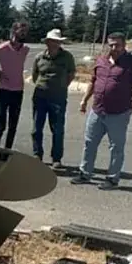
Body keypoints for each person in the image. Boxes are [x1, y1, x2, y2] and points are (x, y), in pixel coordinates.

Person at [71, 32, 132, 190]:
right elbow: (93, 82)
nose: (114, 48)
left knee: (116, 147)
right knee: (89, 143)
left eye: (117, 45)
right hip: (97, 110)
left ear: (124, 45)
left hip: (119, 113)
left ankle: (112, 178)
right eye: (111, 44)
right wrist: (84, 100)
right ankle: (85, 173)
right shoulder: (101, 60)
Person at [31, 28, 76, 168]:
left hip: (58, 98)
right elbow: (35, 76)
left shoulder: (67, 57)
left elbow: (71, 74)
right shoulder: (39, 57)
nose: (54, 44)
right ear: (47, 42)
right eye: (52, 41)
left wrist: (61, 86)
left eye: (57, 41)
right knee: (37, 128)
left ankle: (56, 158)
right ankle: (37, 154)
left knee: (57, 129)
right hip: (40, 97)